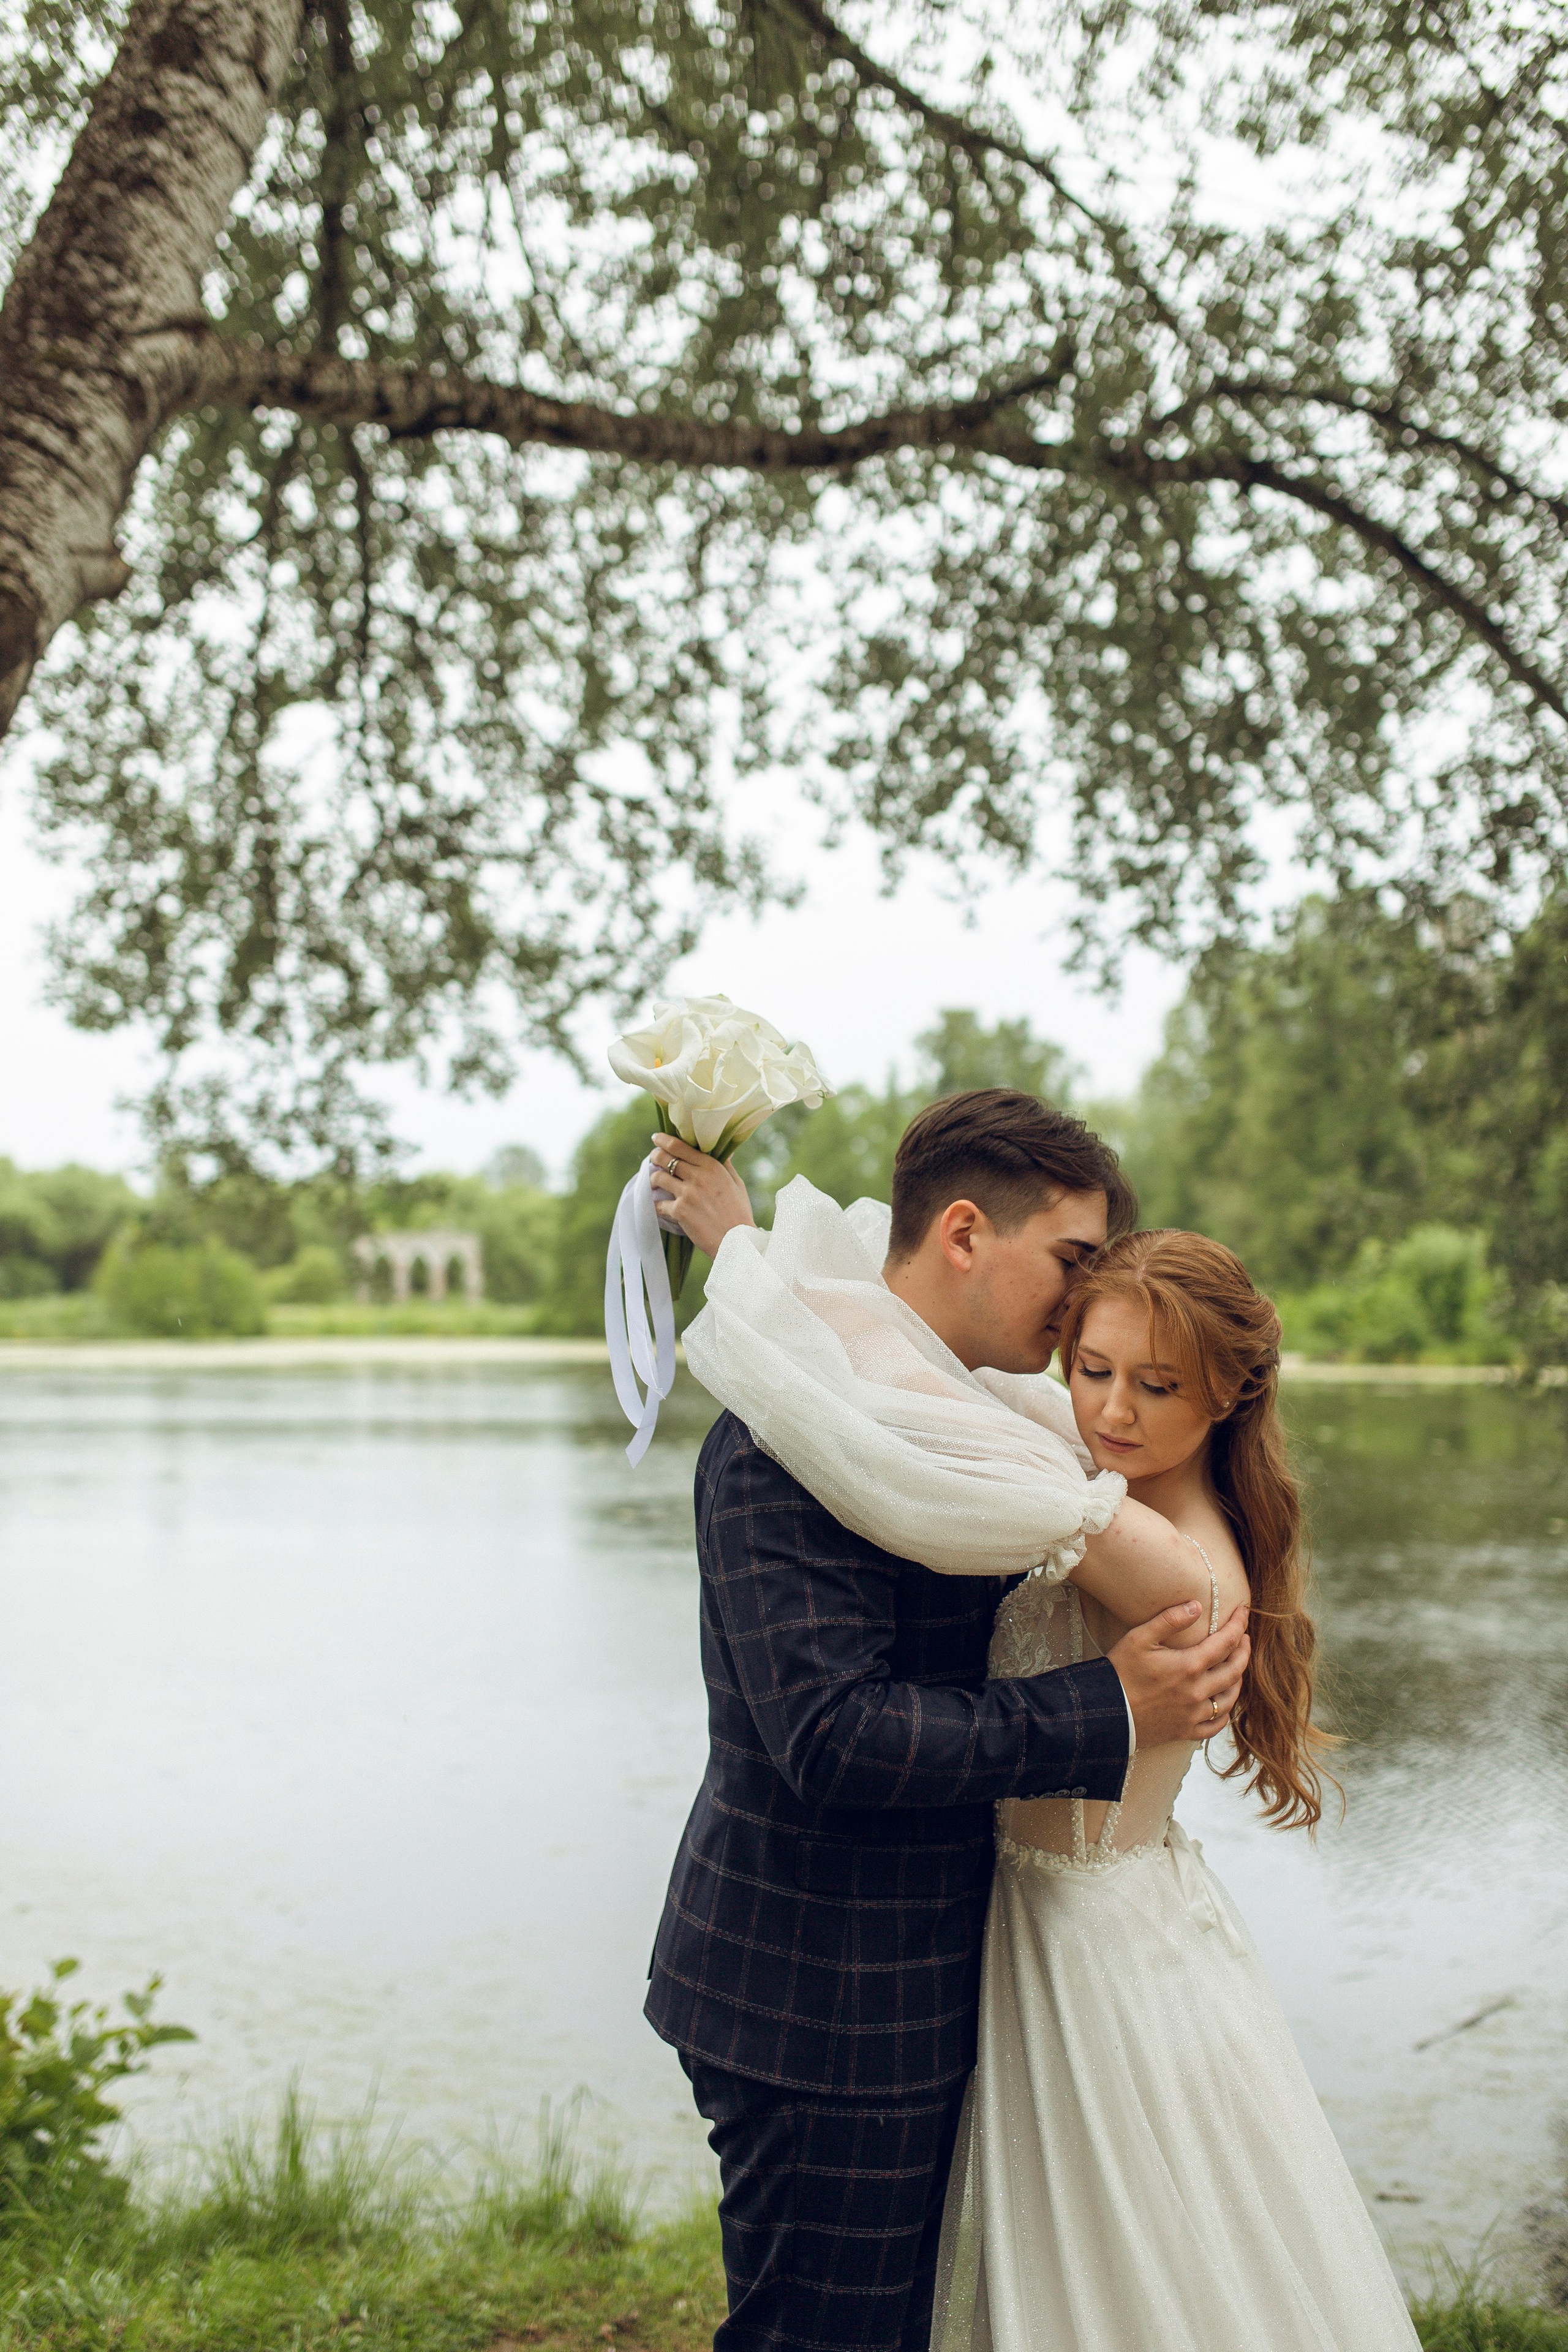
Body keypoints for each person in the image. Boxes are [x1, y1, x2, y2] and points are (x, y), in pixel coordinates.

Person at [643, 1093, 1252, 2352]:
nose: (1082, 1309)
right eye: (1072, 1265)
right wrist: (1108, 1705)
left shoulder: (954, 1414)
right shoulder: (783, 1441)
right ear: (966, 1234)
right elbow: (832, 1736)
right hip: (821, 2002)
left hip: (936, 1980)